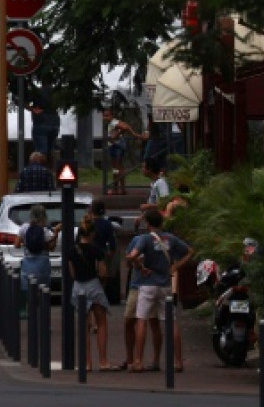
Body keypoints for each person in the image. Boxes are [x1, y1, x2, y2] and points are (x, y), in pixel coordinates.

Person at [126, 210, 193, 372]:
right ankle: (178, 361)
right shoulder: (170, 239)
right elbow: (189, 251)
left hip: (147, 284)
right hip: (166, 285)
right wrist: (176, 265)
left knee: (142, 320)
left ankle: (138, 361)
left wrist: (140, 267)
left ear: (148, 224)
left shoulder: (144, 239)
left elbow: (132, 256)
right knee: (172, 322)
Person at [69, 213, 119, 370]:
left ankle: (86, 362)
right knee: (101, 323)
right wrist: (102, 279)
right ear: (92, 233)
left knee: (84, 326)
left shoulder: (71, 251)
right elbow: (103, 271)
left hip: (78, 287)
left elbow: (72, 273)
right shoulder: (96, 250)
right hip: (93, 285)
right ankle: (103, 361)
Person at [17, 204, 56, 307]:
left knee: (29, 291)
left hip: (27, 264)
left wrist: (26, 243)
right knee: (43, 291)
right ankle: (42, 314)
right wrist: (55, 233)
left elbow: (16, 244)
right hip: (42, 264)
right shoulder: (45, 230)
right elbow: (51, 248)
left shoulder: (24, 228)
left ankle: (31, 312)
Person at [103, 106, 137, 193]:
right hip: (113, 146)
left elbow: (125, 127)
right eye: (104, 116)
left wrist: (117, 134)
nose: (105, 118)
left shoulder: (114, 123)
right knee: (116, 168)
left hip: (116, 146)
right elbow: (125, 126)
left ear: (111, 116)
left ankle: (118, 188)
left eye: (107, 116)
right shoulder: (111, 123)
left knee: (118, 168)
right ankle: (118, 188)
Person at [28, 83, 60, 164]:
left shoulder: (37, 92)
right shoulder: (56, 92)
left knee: (41, 152)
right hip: (54, 122)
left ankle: (40, 171)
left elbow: (20, 100)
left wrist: (32, 109)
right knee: (50, 150)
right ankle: (51, 170)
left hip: (41, 122)